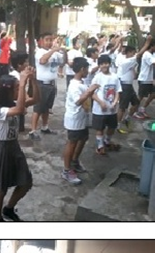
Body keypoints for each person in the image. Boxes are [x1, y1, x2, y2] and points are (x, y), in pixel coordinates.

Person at [0, 70, 39, 222]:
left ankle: (8, 208)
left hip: (14, 146)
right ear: (7, 91)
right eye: (16, 88)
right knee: (2, 187)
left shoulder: (13, 105)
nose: (18, 91)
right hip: (3, 149)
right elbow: (20, 110)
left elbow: (36, 99)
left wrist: (33, 81)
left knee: (26, 182)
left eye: (18, 88)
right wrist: (22, 84)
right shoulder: (0, 110)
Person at [62, 57, 100, 186]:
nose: (88, 71)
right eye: (87, 69)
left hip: (82, 117)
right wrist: (90, 91)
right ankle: (66, 170)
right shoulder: (74, 85)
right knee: (72, 143)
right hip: (74, 119)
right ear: (82, 69)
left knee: (83, 139)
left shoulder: (81, 83)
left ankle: (74, 161)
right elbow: (78, 101)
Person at [29, 33, 67, 140]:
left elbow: (63, 63)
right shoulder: (40, 52)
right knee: (38, 108)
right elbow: (42, 61)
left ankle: (45, 127)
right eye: (47, 40)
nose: (49, 42)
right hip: (42, 84)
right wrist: (53, 50)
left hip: (52, 83)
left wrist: (64, 52)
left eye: (51, 40)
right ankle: (33, 130)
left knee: (47, 107)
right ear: (41, 41)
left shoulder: (55, 53)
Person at [90, 54, 122, 155]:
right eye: (102, 64)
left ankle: (107, 141)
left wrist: (115, 102)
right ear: (99, 65)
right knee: (100, 128)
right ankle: (100, 146)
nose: (105, 65)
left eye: (106, 63)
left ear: (109, 64)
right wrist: (100, 102)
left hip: (112, 109)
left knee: (112, 127)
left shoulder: (115, 77)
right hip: (99, 109)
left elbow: (118, 91)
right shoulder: (97, 77)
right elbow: (92, 93)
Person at [134, 37, 155, 119]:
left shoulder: (150, 54)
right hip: (144, 79)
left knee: (154, 94)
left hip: (148, 80)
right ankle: (134, 111)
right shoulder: (147, 54)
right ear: (152, 46)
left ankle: (142, 108)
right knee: (140, 97)